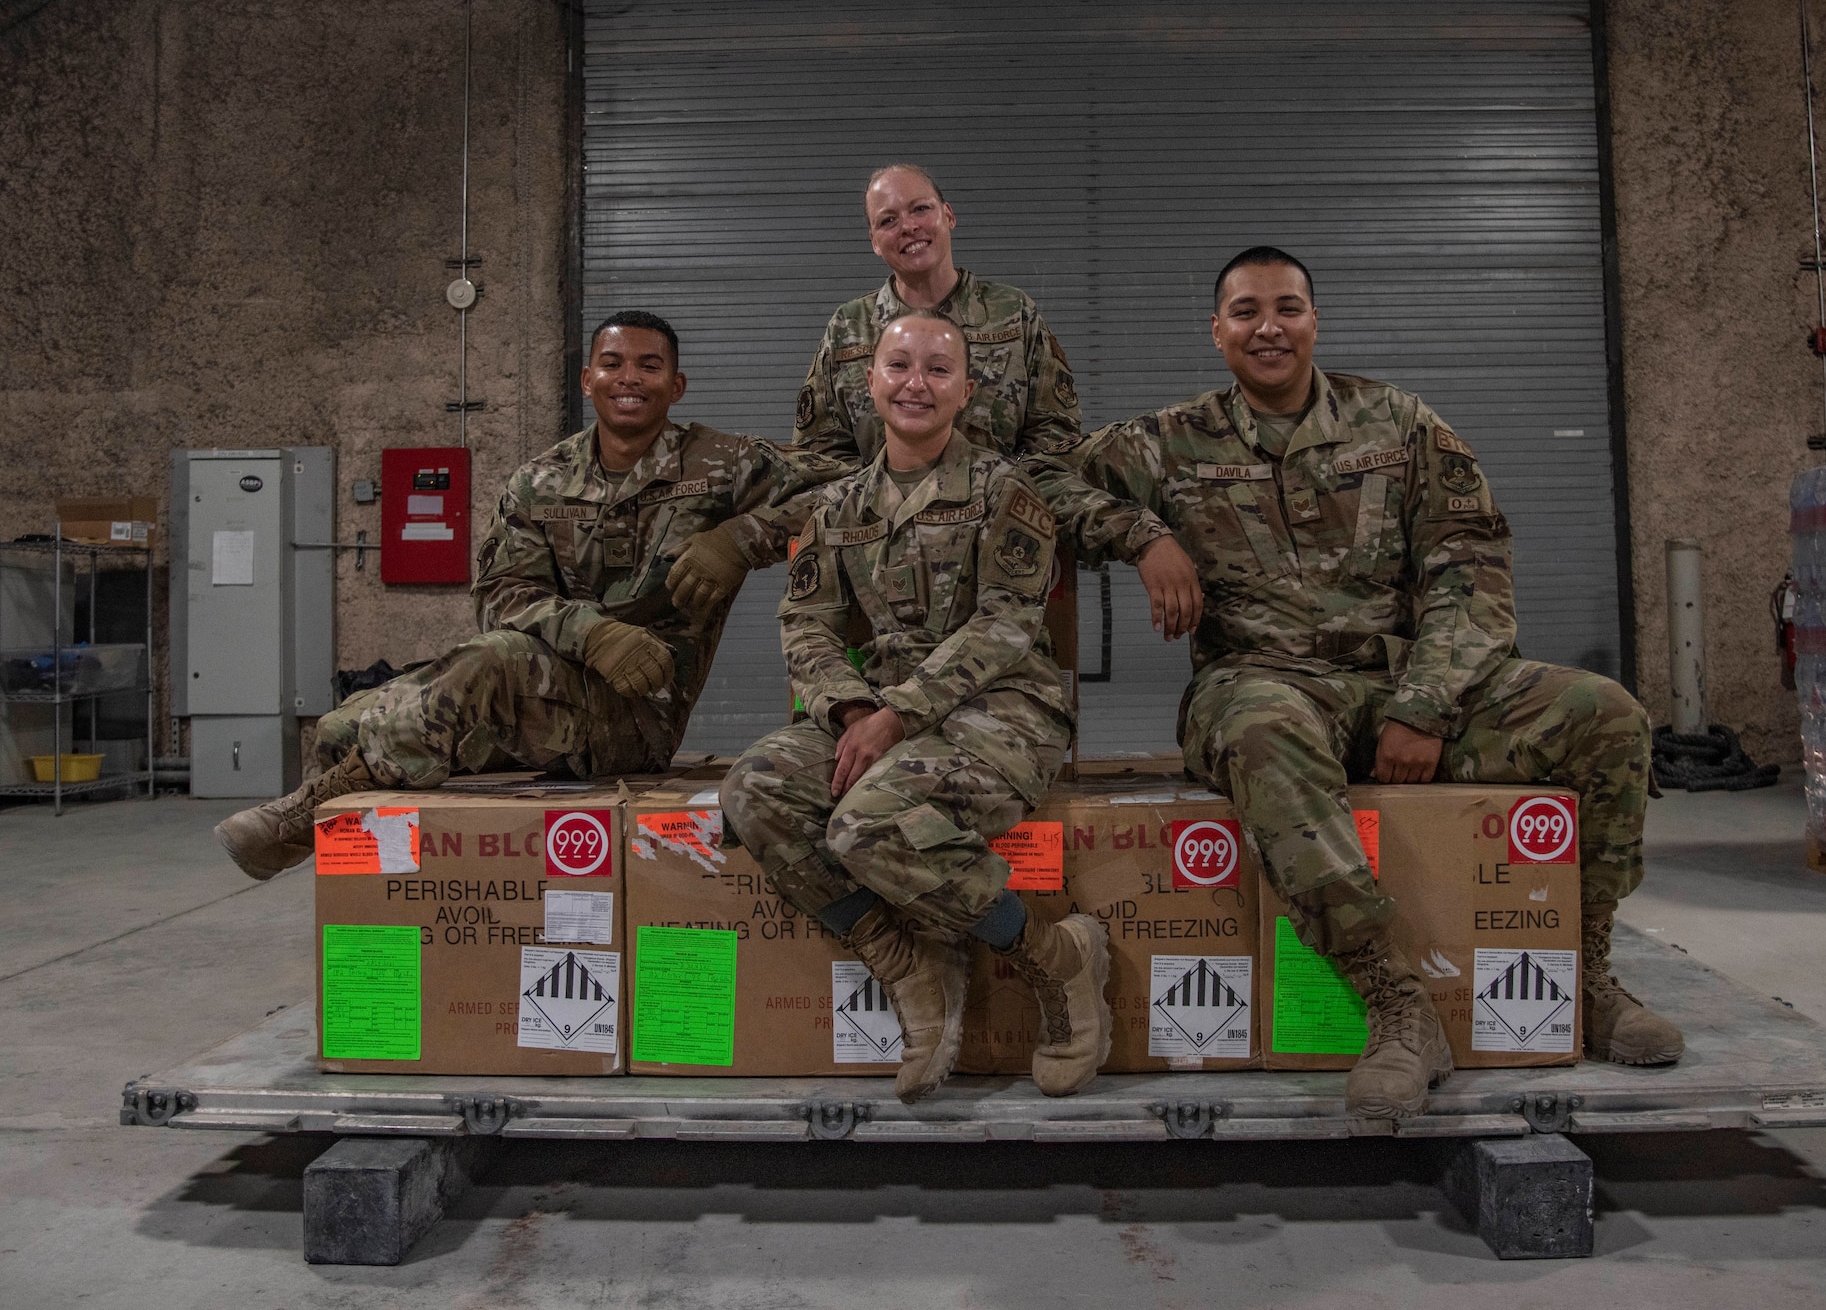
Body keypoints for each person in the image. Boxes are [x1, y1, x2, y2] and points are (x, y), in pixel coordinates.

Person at [1056, 247, 1674, 1120]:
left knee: (1606, 716)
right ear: (1217, 330)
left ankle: (1590, 975)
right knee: (1264, 728)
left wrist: (1424, 704)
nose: (1267, 327)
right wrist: (1139, 534)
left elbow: (1475, 573)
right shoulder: (1167, 441)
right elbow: (1037, 487)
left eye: (1287, 307)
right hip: (1260, 684)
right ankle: (1395, 1004)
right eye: (1245, 311)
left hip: (1402, 683)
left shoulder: (1401, 425)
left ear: (1314, 320)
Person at [214, 310, 851, 879]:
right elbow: (501, 591)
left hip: (636, 714)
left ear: (675, 386)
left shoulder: (724, 463)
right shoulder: (540, 480)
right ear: (586, 379)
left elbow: (853, 488)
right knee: (340, 726)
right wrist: (592, 633)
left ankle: (296, 820)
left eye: (649, 366)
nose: (629, 378)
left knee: (490, 664)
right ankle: (380, 886)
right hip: (547, 687)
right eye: (613, 363)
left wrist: (744, 537)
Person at [723, 313, 1109, 1105]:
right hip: (882, 712)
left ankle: (1055, 958)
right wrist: (847, 708)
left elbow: (1005, 625)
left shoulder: (1006, 493)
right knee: (755, 788)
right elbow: (806, 622)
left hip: (1005, 710)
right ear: (870, 383)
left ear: (967, 390)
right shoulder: (837, 507)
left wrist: (894, 714)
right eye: (899, 365)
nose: (916, 384)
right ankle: (907, 959)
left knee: (866, 822)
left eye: (939, 369)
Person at [795, 163, 1202, 640]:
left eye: (920, 209)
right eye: (888, 219)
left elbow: (1055, 453)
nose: (907, 226)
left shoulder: (1014, 315)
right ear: (873, 239)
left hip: (1002, 550)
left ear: (947, 215)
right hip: (880, 563)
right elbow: (820, 459)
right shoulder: (848, 329)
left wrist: (1140, 535)